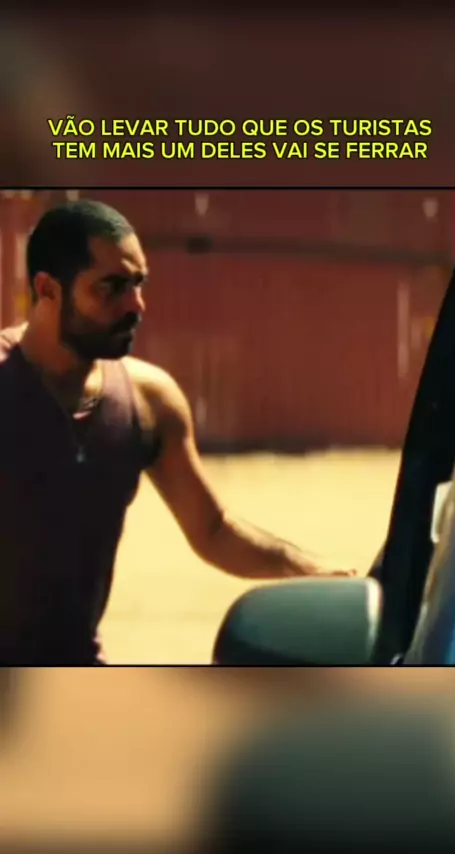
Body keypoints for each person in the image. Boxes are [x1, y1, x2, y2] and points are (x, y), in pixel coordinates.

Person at [0, 200, 354, 665]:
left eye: (138, 284)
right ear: (48, 289)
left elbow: (213, 530)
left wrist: (314, 571)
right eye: (111, 287)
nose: (135, 305)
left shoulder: (150, 401)